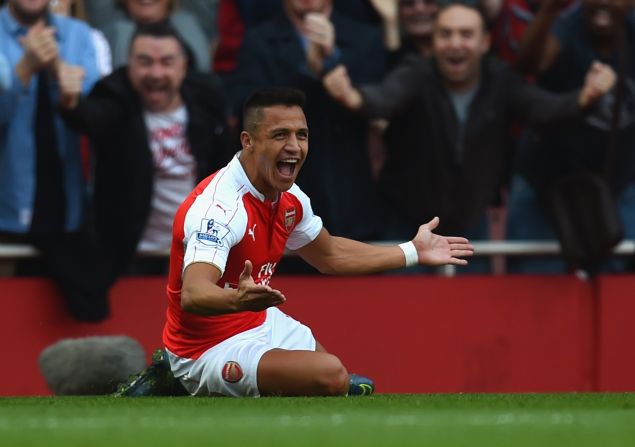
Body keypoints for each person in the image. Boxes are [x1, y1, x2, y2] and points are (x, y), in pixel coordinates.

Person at [117, 87, 474, 397]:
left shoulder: (289, 199)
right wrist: (237, 299)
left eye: (301, 135)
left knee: (328, 376)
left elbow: (330, 255)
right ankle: (176, 377)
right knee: (332, 376)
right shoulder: (220, 208)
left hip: (257, 319)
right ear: (248, 141)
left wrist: (412, 251)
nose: (294, 147)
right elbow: (194, 294)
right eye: (280, 135)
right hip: (204, 348)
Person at [321, 0, 617, 273]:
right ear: (434, 43)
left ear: (485, 42)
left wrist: (584, 97)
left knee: (472, 320)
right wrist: (352, 97)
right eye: (446, 34)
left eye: (466, 34)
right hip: (405, 223)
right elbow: (385, 98)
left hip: (469, 228)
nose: (455, 43)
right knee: (402, 317)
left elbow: (543, 108)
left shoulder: (500, 79)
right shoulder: (416, 73)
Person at [60, 21, 230, 285]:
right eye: (145, 62)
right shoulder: (115, 95)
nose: (156, 72)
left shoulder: (207, 98)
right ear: (129, 65)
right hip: (131, 257)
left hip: (198, 254)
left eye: (166, 62)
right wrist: (70, 102)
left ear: (184, 66)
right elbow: (91, 117)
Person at [229, 0, 389, 243]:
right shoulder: (258, 40)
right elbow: (248, 110)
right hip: (283, 192)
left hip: (353, 193)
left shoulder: (365, 37)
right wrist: (309, 70)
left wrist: (332, 59)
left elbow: (380, 107)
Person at [507, 0, 635, 273]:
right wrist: (548, 10)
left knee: (618, 292)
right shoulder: (566, 23)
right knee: (537, 286)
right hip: (545, 185)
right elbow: (530, 65)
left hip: (619, 184)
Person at [0, 0, 106, 320]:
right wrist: (25, 69)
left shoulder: (83, 36)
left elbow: (101, 118)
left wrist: (62, 77)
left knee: (75, 320)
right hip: (6, 213)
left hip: (68, 212)